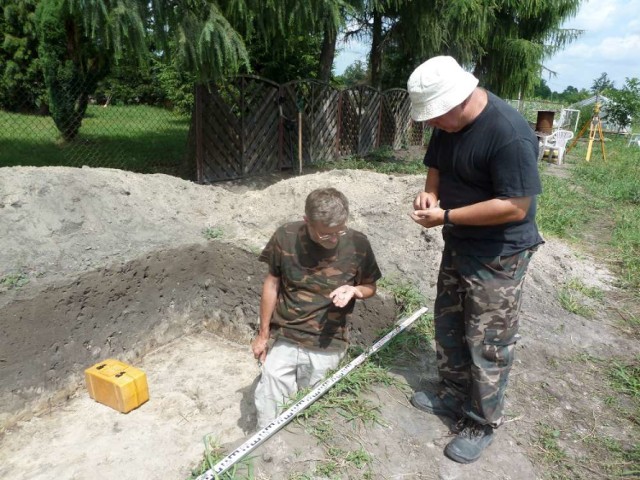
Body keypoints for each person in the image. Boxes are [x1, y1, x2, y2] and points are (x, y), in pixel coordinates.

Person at [406, 56, 544, 464]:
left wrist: (445, 215)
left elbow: (515, 207)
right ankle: (451, 393)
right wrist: (430, 194)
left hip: (499, 254)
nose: (431, 125)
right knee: (449, 321)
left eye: (435, 117)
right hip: (459, 242)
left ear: (459, 100)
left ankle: (481, 421)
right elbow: (436, 165)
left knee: (488, 341)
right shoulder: (448, 125)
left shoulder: (509, 134)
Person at [251, 187, 382, 429]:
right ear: (307, 222)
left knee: (313, 411)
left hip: (328, 343)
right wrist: (263, 335)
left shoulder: (358, 244)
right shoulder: (285, 236)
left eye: (339, 231)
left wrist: (354, 290)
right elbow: (272, 284)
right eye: (325, 235)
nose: (333, 239)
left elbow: (369, 286)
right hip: (287, 335)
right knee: (269, 398)